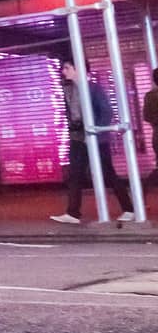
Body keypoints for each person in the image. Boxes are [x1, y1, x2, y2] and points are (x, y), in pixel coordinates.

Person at [51, 60, 136, 224]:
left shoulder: (94, 89)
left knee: (107, 173)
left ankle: (129, 208)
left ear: (78, 69)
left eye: (67, 68)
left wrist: (96, 128)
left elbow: (106, 112)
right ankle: (73, 213)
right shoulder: (68, 90)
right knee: (75, 174)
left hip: (96, 138)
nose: (64, 71)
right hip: (78, 138)